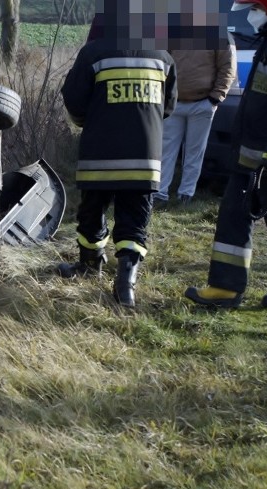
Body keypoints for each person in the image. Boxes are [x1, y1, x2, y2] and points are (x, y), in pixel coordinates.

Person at [186, 0, 267, 309]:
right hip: (254, 151)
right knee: (235, 214)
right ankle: (225, 287)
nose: (251, 14)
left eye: (256, 6)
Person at [57, 11, 177, 308]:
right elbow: (168, 106)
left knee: (91, 211)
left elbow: (73, 99)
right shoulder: (163, 57)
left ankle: (89, 264)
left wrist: (90, 119)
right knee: (135, 219)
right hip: (144, 158)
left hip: (101, 154)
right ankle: (126, 286)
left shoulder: (94, 52)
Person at [154, 43, 237, 205]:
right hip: (174, 102)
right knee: (166, 150)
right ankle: (159, 193)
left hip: (203, 103)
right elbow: (162, 60)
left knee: (194, 151)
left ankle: (186, 193)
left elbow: (228, 67)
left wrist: (216, 97)